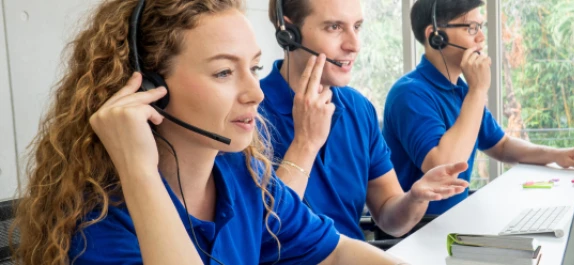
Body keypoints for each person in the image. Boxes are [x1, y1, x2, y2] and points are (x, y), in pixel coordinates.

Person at [10, 0, 407, 264]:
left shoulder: (244, 178)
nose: (254, 93)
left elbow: (336, 254)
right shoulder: (99, 222)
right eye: (223, 72)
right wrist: (139, 173)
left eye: (252, 68)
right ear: (149, 88)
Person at [259, 0, 469, 241]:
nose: (354, 45)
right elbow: (261, 236)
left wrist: (415, 198)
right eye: (334, 27)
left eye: (357, 26)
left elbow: (390, 218)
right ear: (288, 33)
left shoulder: (359, 109)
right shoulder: (250, 116)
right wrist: (305, 142)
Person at [382, 0, 574, 215]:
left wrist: (555, 155)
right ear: (436, 36)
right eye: (471, 28)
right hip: (419, 230)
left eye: (480, 27)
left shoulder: (461, 91)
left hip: (455, 220)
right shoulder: (409, 94)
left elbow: (501, 146)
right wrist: (478, 90)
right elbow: (442, 169)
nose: (481, 37)